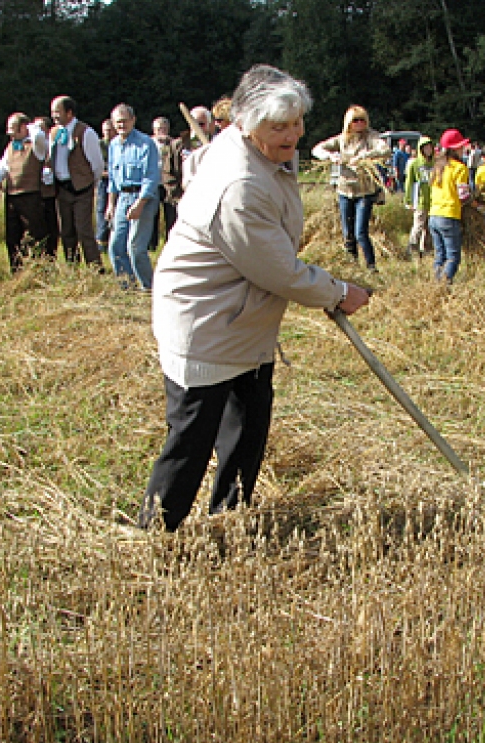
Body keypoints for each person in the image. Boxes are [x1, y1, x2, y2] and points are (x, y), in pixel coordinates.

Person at [138, 64, 370, 532]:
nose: (293, 134)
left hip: (244, 321)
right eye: (278, 126)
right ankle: (154, 535)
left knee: (246, 430)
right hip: (206, 323)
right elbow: (280, 271)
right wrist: (340, 292)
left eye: (297, 121)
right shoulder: (239, 186)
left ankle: (230, 519)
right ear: (245, 124)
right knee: (191, 440)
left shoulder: (252, 149)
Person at [311, 105, 390, 272]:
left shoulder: (371, 137)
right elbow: (317, 149)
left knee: (361, 231)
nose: (359, 123)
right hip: (345, 190)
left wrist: (365, 155)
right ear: (349, 122)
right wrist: (331, 156)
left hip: (364, 191)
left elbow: (385, 149)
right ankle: (352, 265)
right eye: (355, 120)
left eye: (362, 120)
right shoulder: (342, 139)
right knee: (348, 232)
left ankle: (371, 267)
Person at [105, 104, 161, 290]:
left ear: (133, 120)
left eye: (125, 121)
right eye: (118, 122)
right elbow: (113, 179)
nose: (122, 125)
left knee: (135, 247)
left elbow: (151, 177)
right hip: (122, 198)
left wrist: (139, 204)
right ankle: (127, 286)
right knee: (115, 246)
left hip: (143, 198)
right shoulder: (113, 145)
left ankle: (149, 287)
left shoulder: (146, 143)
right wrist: (111, 205)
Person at [48, 96, 104, 266]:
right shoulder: (54, 132)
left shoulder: (86, 132)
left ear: (69, 112)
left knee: (83, 230)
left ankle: (95, 267)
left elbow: (97, 164)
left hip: (81, 189)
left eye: (57, 112)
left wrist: (88, 183)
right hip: (62, 188)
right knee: (66, 231)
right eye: (52, 112)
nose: (54, 116)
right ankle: (73, 266)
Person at [0, 112, 49, 272]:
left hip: (31, 195)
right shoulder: (10, 146)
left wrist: (30, 125)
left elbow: (39, 135)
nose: (9, 132)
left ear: (23, 128)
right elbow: (2, 167)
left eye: (12, 128)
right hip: (12, 196)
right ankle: (17, 270)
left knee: (34, 235)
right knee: (13, 236)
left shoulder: (36, 145)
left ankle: (38, 269)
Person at [427, 128, 471, 284]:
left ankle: (436, 283)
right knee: (453, 257)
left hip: (433, 215)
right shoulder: (459, 168)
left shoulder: (437, 167)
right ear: (455, 149)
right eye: (461, 147)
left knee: (440, 256)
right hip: (449, 215)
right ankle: (443, 285)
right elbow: (463, 195)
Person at [149, 116, 179, 251]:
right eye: (159, 129)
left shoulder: (173, 144)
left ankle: (170, 243)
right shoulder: (149, 143)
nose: (162, 131)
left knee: (171, 215)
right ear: (154, 130)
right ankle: (152, 245)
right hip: (154, 184)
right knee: (152, 215)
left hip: (168, 185)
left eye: (164, 128)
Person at [403, 135, 434, 258]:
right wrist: (408, 200)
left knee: (429, 227)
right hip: (420, 199)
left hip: (432, 200)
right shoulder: (414, 164)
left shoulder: (434, 163)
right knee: (418, 225)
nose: (428, 150)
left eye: (430, 147)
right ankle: (412, 247)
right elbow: (409, 182)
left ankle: (426, 249)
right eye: (425, 148)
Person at [34, 116, 59, 259]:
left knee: (51, 228)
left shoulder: (52, 145)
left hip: (51, 194)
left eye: (41, 127)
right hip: (36, 194)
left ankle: (51, 256)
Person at [96, 118, 115, 257]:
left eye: (110, 129)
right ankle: (101, 241)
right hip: (103, 180)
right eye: (105, 130)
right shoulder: (99, 144)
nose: (108, 132)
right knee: (101, 210)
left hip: (117, 181)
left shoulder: (118, 143)